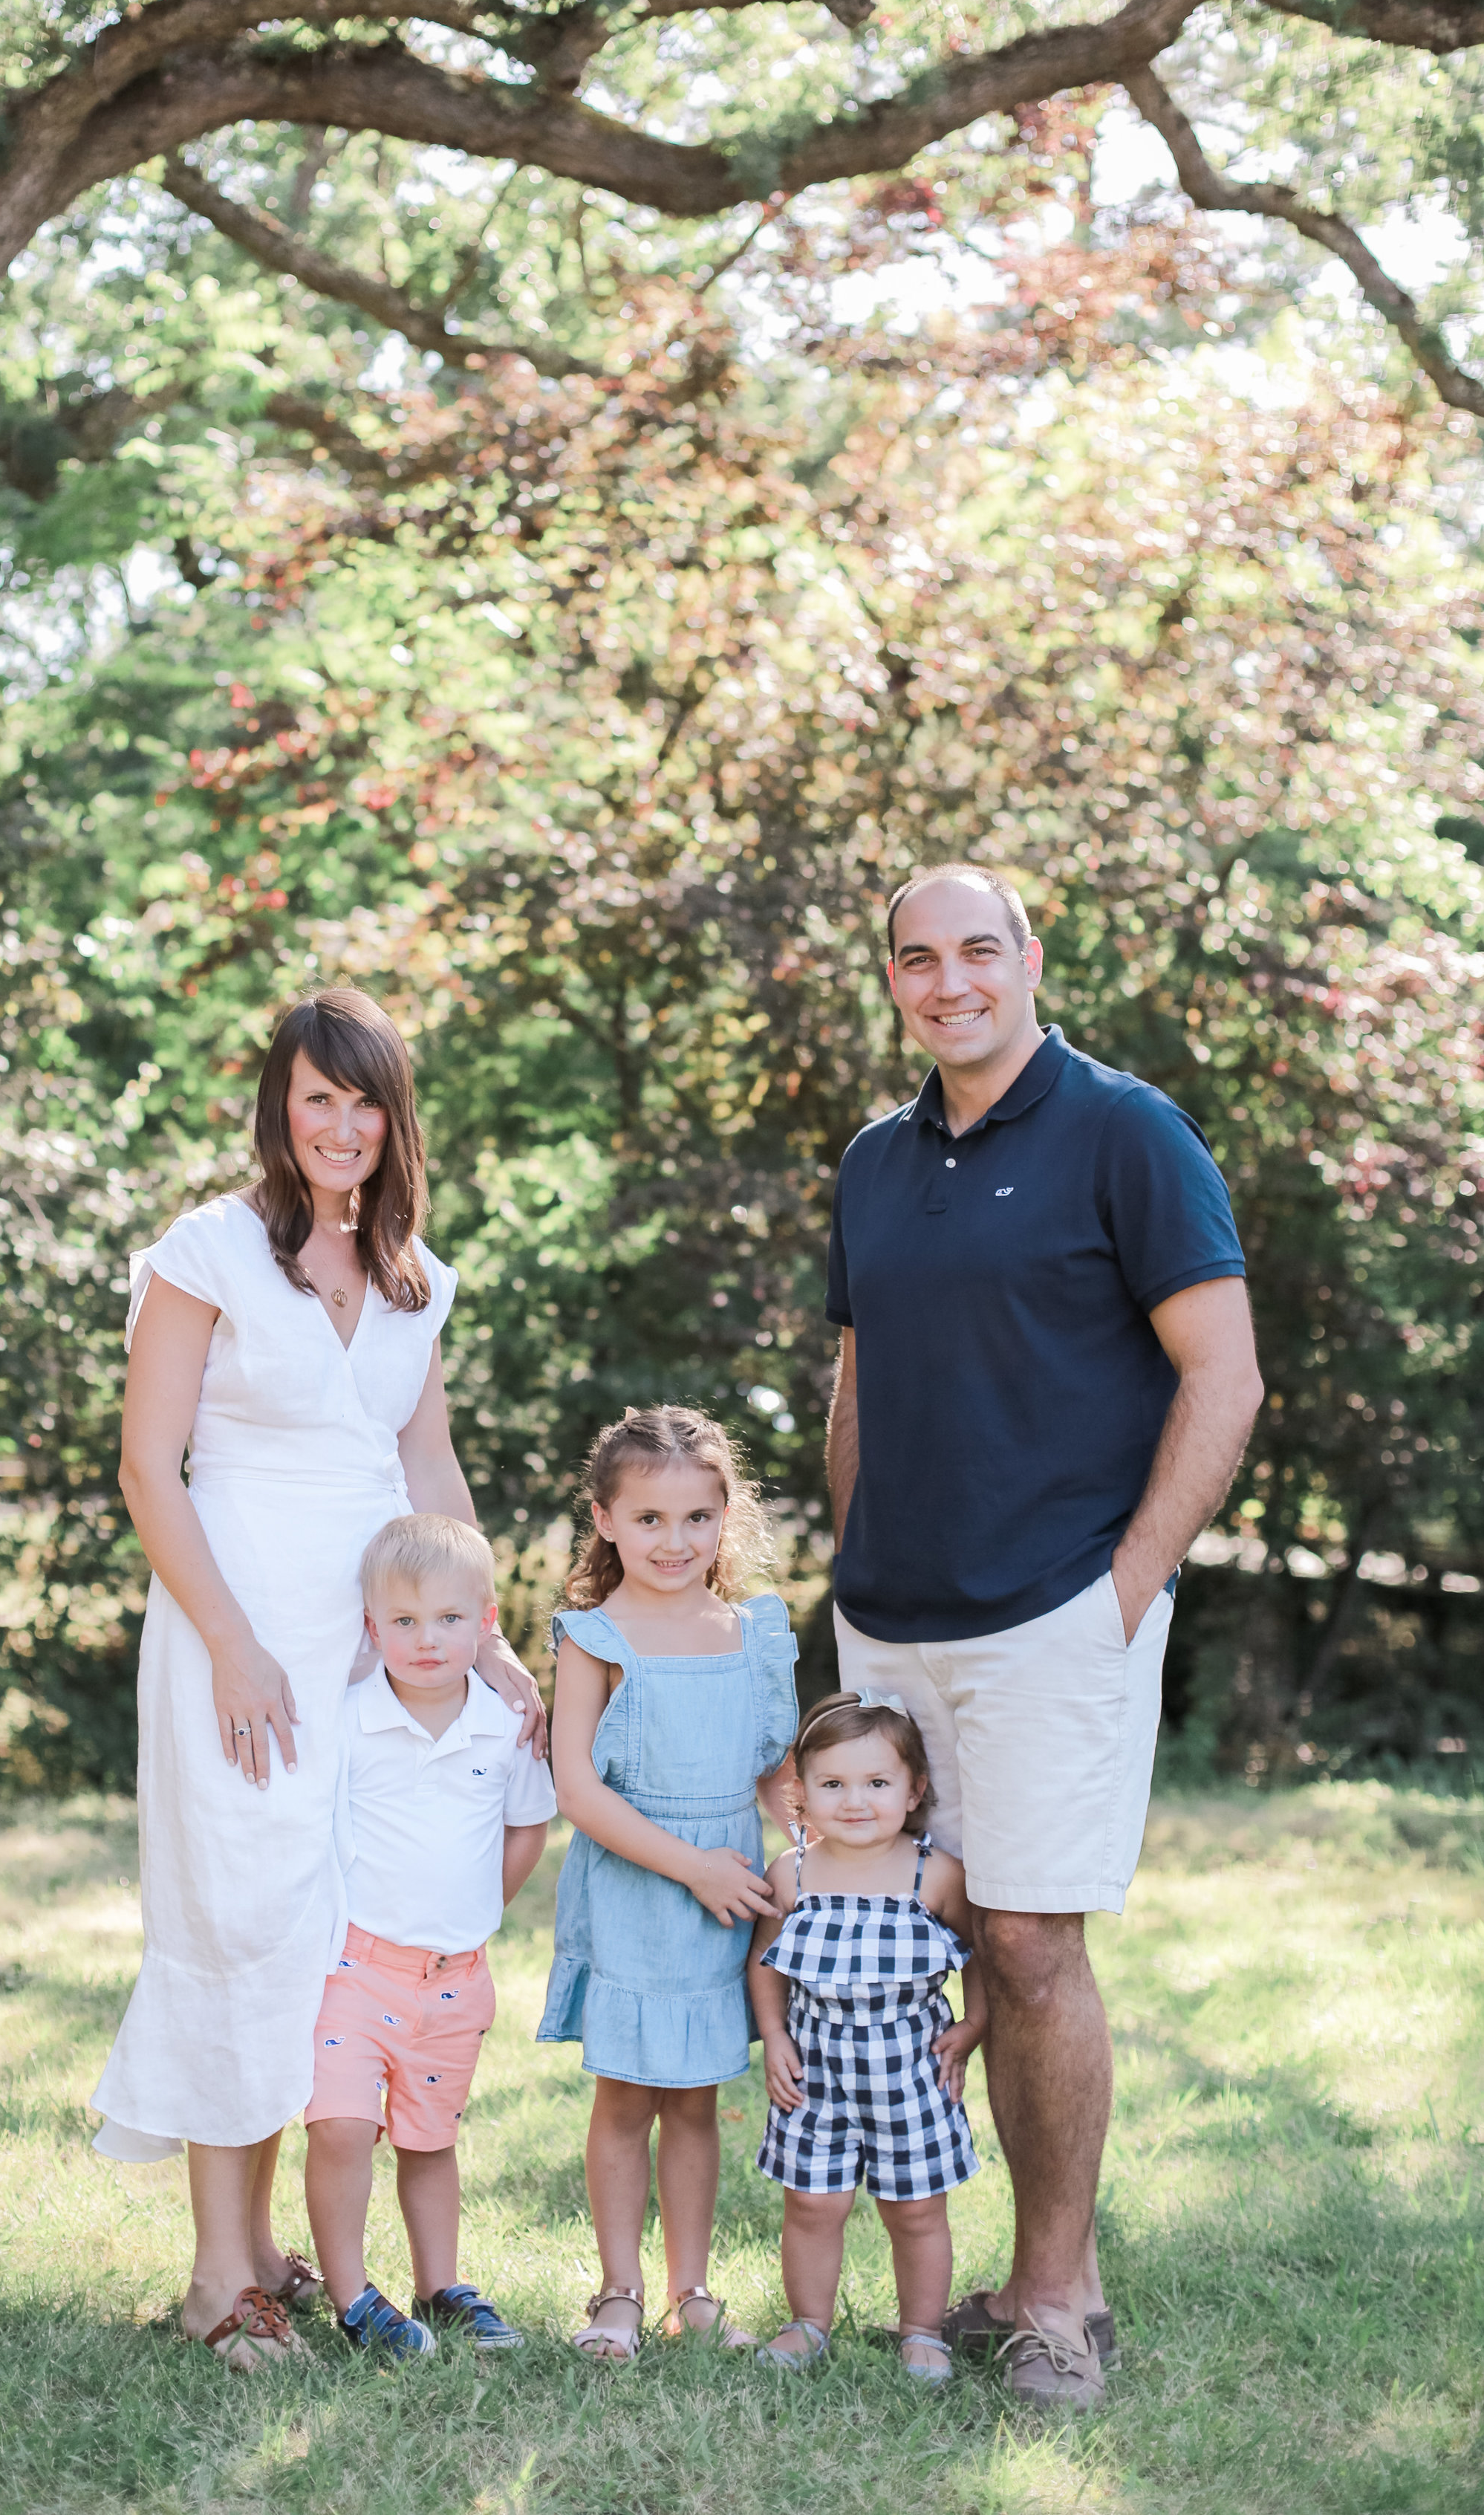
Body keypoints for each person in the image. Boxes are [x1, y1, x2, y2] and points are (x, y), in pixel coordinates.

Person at [824, 863, 1263, 2407]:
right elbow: (861, 1374)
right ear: (890, 980)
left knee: (1023, 1940)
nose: (946, 982)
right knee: (892, 1951)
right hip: (886, 1618)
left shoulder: (1123, 1132)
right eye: (913, 960)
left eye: (973, 952)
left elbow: (1224, 1378)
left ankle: (1058, 2294)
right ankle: (934, 2286)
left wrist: (1126, 1588)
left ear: (1025, 958)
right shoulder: (874, 1159)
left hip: (1051, 1611)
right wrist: (844, 1548)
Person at [89, 988, 544, 2373]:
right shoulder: (211, 1251)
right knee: (241, 1915)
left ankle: (282, 2245)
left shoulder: (417, 1274)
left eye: (367, 1102)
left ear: (396, 1118)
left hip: (376, 1644)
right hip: (240, 1629)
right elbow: (146, 1466)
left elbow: (429, 1468)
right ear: (281, 1108)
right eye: (318, 1099)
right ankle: (221, 2274)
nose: (343, 1126)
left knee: (331, 1933)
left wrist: (491, 1627)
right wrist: (232, 1639)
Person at [537, 1406, 799, 2360]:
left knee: (694, 2099)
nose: (674, 1541)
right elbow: (576, 1787)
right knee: (626, 2096)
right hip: (642, 1890)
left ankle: (691, 2291)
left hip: (728, 1891)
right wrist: (688, 1866)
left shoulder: (756, 1632)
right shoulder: (596, 1637)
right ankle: (617, 2291)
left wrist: (807, 1834)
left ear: (724, 1516)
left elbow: (774, 1764)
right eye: (648, 1519)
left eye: (696, 1518)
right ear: (605, 1519)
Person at [303, 1511, 555, 2360]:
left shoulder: (504, 1726)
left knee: (427, 2138)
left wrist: (482, 1909)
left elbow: (526, 1828)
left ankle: (439, 2283)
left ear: (485, 1624)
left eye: (448, 1619)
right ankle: (352, 2298)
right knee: (339, 2126)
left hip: (456, 1979)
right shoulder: (348, 1720)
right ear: (372, 1628)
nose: (425, 1639)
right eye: (402, 1622)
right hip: (355, 1967)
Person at [749, 1692, 986, 2381]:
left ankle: (922, 2332)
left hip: (912, 2071)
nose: (855, 1802)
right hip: (816, 2069)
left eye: (877, 1783)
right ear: (802, 1795)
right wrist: (775, 2035)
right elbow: (764, 1963)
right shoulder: (792, 1875)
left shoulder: (934, 1875)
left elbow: (983, 1959)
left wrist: (972, 2028)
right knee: (814, 2204)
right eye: (833, 1785)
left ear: (914, 1791)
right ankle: (807, 2325)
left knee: (914, 2210)